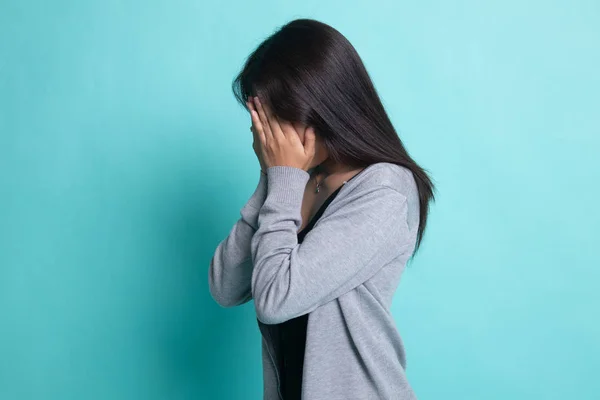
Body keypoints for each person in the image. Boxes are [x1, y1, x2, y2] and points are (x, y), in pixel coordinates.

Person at [208, 18, 434, 400]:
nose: (269, 134)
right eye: (262, 121)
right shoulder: (295, 181)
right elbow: (226, 287)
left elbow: (277, 298)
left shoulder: (384, 189)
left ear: (323, 105)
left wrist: (283, 176)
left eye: (276, 118)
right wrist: (272, 177)